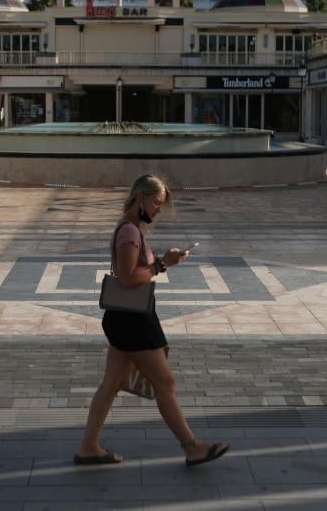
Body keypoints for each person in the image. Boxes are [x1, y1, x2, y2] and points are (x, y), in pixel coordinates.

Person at [74, 174, 230, 467]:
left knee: (110, 384)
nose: (159, 209)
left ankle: (88, 447)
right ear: (140, 198)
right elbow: (129, 277)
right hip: (133, 321)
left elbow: (132, 270)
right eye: (157, 203)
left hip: (125, 318)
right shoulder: (130, 232)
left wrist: (161, 260)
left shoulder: (131, 230)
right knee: (164, 381)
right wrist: (160, 265)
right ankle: (192, 447)